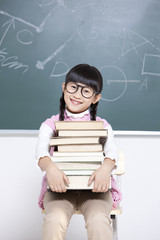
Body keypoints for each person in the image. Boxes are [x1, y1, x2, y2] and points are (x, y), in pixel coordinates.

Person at [36, 64, 121, 240]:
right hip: (60, 191)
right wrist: (50, 168)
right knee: (55, 219)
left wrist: (106, 168)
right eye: (73, 87)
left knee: (98, 220)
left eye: (86, 91)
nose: (77, 95)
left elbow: (112, 149)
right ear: (63, 88)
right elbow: (41, 152)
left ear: (96, 98)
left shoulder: (103, 126)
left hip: (95, 191)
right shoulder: (50, 124)